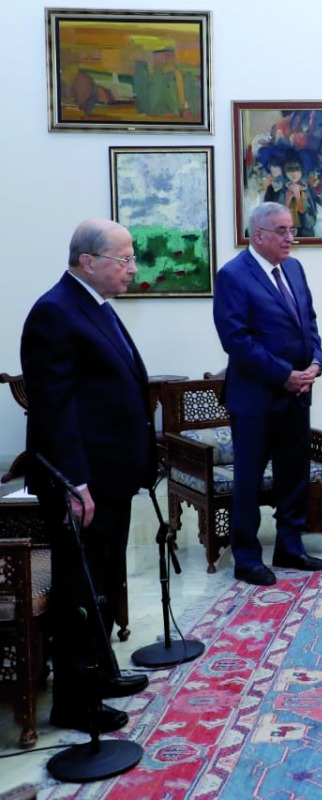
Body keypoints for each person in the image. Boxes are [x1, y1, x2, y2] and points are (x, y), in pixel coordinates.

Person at [20, 218, 155, 733]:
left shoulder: (94, 306)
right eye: (124, 260)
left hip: (110, 479)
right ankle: (75, 701)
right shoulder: (55, 312)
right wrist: (75, 482)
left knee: (101, 580)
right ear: (88, 261)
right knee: (77, 589)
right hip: (83, 485)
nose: (133, 269)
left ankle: (100, 673)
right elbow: (53, 410)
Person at [213, 201, 322, 586]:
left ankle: (289, 547)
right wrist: (284, 375)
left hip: (297, 395)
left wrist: (316, 363)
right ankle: (246, 557)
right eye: (282, 231)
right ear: (257, 235)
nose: (290, 238)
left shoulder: (294, 268)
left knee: (293, 475)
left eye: (291, 230)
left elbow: (308, 321)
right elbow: (236, 340)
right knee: (249, 479)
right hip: (255, 399)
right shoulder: (232, 276)